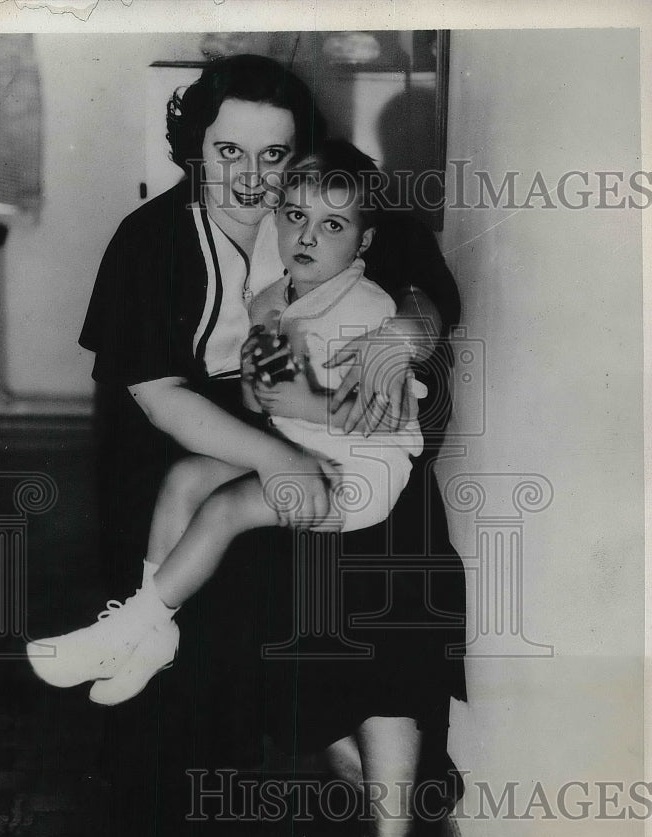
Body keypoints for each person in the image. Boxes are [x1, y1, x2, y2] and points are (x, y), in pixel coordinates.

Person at [33, 54, 467, 837]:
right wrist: (275, 456)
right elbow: (160, 397)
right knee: (228, 560)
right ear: (195, 146)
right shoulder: (150, 240)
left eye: (273, 155)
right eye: (228, 150)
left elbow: (430, 289)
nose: (250, 176)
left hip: (348, 456)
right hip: (216, 447)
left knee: (390, 571)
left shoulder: (325, 202)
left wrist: (406, 331)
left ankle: (388, 813)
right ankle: (321, 754)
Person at [28, 140, 431, 707]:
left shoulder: (366, 309)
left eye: (333, 225)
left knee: (225, 508)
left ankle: (128, 629)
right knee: (185, 477)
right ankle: (154, 637)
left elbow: (387, 416)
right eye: (295, 216)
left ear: (363, 241)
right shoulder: (275, 296)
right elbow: (256, 394)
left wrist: (299, 403)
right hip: (302, 447)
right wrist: (268, 361)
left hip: (362, 475)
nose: (307, 237)